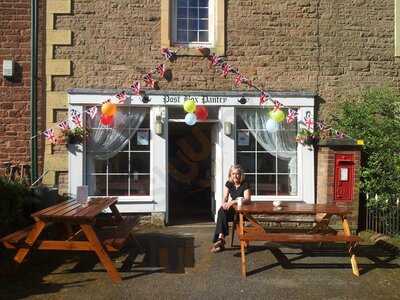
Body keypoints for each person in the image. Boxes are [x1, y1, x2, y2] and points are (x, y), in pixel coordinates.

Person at [211, 164, 251, 253]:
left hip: (242, 212)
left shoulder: (245, 184)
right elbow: (225, 197)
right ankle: (221, 239)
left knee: (222, 213)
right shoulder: (229, 183)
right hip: (233, 211)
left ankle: (220, 241)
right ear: (230, 175)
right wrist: (224, 204)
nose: (235, 176)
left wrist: (233, 201)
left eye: (237, 174)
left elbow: (247, 199)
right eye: (233, 174)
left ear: (241, 175)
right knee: (222, 210)